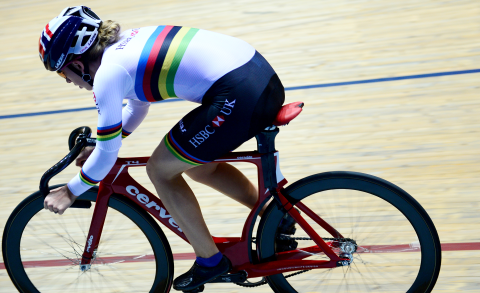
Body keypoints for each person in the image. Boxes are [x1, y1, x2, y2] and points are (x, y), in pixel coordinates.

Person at [40, 6, 285, 291]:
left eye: (63, 73)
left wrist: (71, 191)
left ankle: (211, 261)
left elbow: (109, 153)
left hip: (238, 93)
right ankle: (276, 215)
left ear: (78, 64)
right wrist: (98, 143)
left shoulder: (108, 74)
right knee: (197, 165)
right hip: (258, 77)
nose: (68, 81)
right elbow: (136, 106)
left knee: (159, 170)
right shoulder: (125, 42)